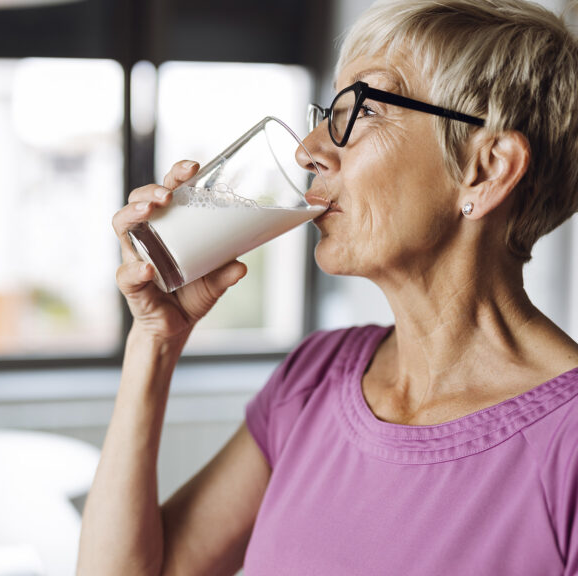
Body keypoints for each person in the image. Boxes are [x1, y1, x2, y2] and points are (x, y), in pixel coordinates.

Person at [77, 0, 578, 573]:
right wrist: (154, 340)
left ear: (486, 169)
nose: (309, 150)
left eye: (362, 109)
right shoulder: (318, 376)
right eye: (328, 110)